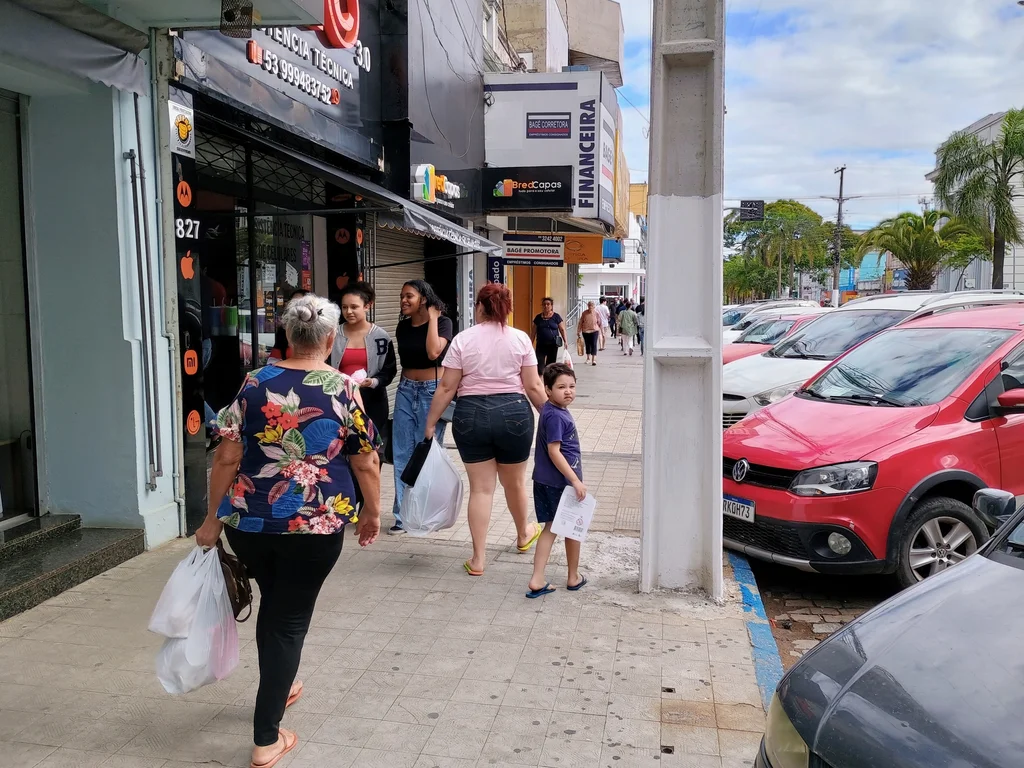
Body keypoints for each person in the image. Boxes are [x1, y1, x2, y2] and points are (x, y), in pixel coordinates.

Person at [195, 293, 381, 768]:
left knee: (278, 610)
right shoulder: (343, 388)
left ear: (287, 336)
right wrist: (373, 514)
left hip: (251, 523)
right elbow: (365, 460)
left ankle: (285, 682)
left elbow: (226, 456)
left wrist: (212, 518)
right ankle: (265, 737)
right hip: (316, 525)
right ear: (329, 337)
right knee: (289, 620)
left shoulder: (254, 382)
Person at [424, 283, 547, 576]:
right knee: (514, 483)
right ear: (508, 308)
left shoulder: (463, 340)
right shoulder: (520, 339)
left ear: (479, 306)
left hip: (470, 415)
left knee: (481, 489)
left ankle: (478, 558)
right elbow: (532, 386)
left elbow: (446, 387)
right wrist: (554, 417)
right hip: (514, 414)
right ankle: (523, 534)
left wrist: (429, 424)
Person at [391, 280, 453, 534]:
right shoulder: (402, 327)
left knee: (425, 453)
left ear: (423, 300)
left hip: (431, 392)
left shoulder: (444, 323)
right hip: (405, 390)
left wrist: (433, 318)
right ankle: (401, 514)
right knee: (401, 452)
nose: (404, 300)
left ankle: (424, 512)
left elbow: (432, 353)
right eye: (402, 296)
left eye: (409, 296)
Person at [330, 281, 397, 508]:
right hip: (339, 401)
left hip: (372, 402)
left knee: (369, 452)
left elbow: (390, 369)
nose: (349, 312)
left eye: (354, 307)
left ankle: (367, 504)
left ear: (368, 306)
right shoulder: (332, 334)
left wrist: (374, 381)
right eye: (344, 307)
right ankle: (345, 501)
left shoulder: (381, 336)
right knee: (340, 451)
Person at [526, 363, 586, 597]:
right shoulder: (556, 416)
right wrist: (575, 480)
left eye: (572, 386)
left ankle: (540, 578)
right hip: (560, 483)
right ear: (548, 390)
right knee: (571, 528)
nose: (568, 391)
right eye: (561, 387)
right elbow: (554, 451)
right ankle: (572, 577)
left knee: (551, 528)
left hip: (546, 480)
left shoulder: (551, 411)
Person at [269, 289, 308, 362]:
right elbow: (273, 360)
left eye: (301, 303)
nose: (296, 306)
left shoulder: (317, 330)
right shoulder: (283, 331)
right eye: (293, 303)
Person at [531, 297, 568, 374]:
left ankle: (548, 382)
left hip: (553, 345)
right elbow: (533, 332)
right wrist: (530, 343)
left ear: (551, 306)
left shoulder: (556, 317)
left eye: (548, 304)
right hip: (541, 345)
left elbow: (562, 329)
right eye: (544, 304)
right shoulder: (538, 318)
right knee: (539, 365)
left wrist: (565, 341)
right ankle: (541, 382)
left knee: (550, 365)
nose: (546, 306)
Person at [577, 301, 601, 366]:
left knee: (594, 344)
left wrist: (598, 328)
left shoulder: (596, 313)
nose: (590, 307)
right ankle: (588, 358)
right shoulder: (584, 313)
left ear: (594, 307)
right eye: (589, 306)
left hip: (594, 331)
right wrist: (578, 331)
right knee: (587, 344)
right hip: (586, 331)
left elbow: (599, 322)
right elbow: (580, 322)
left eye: (591, 306)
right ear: (588, 306)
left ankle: (594, 359)